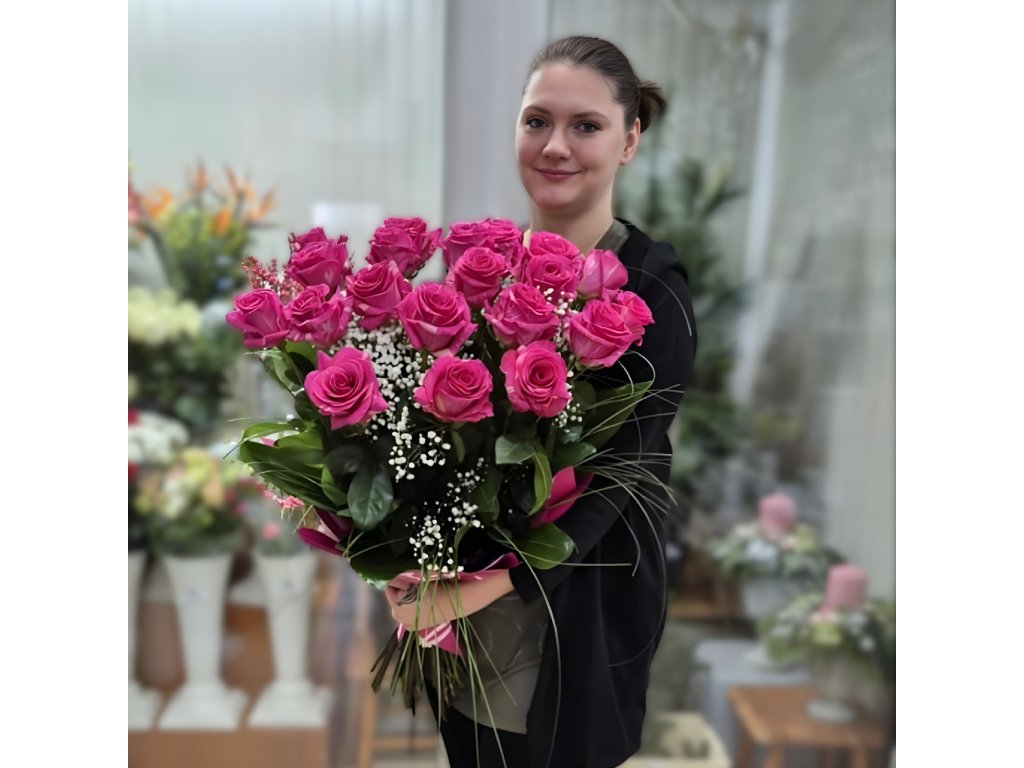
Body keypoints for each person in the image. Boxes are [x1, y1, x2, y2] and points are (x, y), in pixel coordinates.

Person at [385, 35, 697, 768]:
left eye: (586, 125)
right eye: (537, 121)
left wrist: (486, 585)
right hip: (466, 631)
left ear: (629, 141)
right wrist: (394, 554)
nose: (555, 146)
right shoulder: (480, 272)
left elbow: (620, 477)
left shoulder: (653, 288)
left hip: (574, 626)